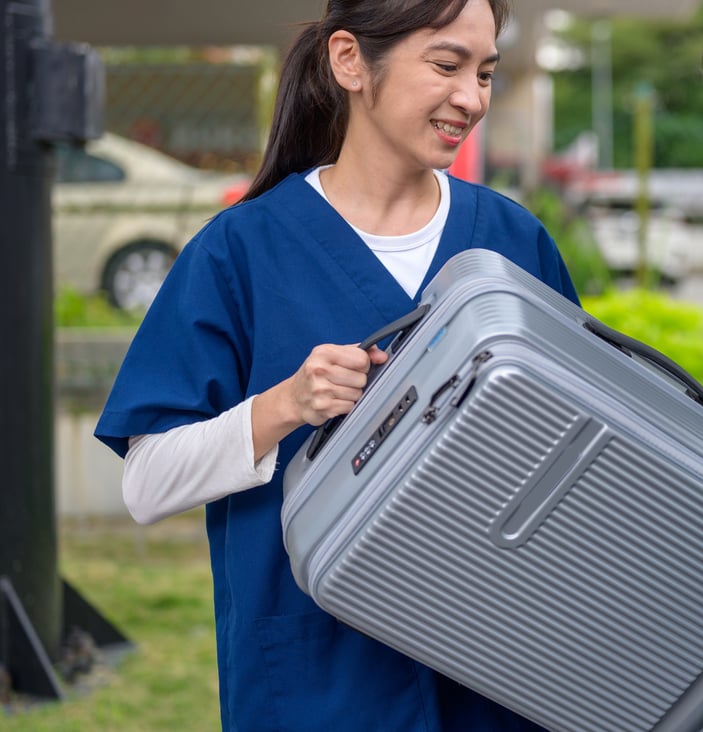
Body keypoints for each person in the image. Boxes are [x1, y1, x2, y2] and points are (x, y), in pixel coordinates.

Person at [94, 0, 577, 729]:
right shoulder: (239, 252)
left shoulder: (513, 241)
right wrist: (284, 405)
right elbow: (147, 483)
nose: (471, 98)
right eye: (446, 65)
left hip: (493, 683)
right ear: (350, 61)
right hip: (318, 686)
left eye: (484, 72)